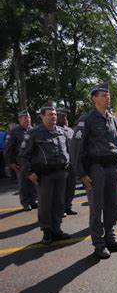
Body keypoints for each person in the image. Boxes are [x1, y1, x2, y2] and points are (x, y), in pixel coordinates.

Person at [70, 82, 117, 259]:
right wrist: (82, 174)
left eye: (108, 95)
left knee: (114, 205)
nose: (107, 97)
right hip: (96, 169)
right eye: (103, 95)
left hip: (112, 168)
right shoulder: (85, 120)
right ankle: (98, 244)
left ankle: (110, 239)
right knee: (97, 208)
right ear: (94, 98)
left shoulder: (114, 120)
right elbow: (76, 150)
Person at [18, 104, 71, 244]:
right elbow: (23, 155)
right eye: (50, 114)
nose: (53, 117)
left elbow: (68, 151)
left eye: (54, 114)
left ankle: (57, 229)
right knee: (45, 204)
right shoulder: (34, 133)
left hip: (61, 173)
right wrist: (29, 172)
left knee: (59, 202)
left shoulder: (62, 132)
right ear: (42, 116)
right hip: (44, 175)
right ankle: (47, 231)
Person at [4, 110, 37, 211]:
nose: (28, 119)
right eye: (25, 118)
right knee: (23, 183)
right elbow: (8, 149)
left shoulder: (33, 130)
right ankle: (25, 202)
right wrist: (10, 163)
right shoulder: (14, 132)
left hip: (33, 161)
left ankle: (33, 200)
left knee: (33, 182)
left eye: (29, 117)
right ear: (19, 119)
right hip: (20, 162)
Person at [57, 108, 78, 216]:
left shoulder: (70, 130)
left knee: (71, 187)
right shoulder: (55, 130)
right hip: (61, 164)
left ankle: (68, 206)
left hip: (72, 163)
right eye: (62, 117)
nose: (64, 118)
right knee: (61, 188)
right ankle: (60, 209)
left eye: (65, 116)